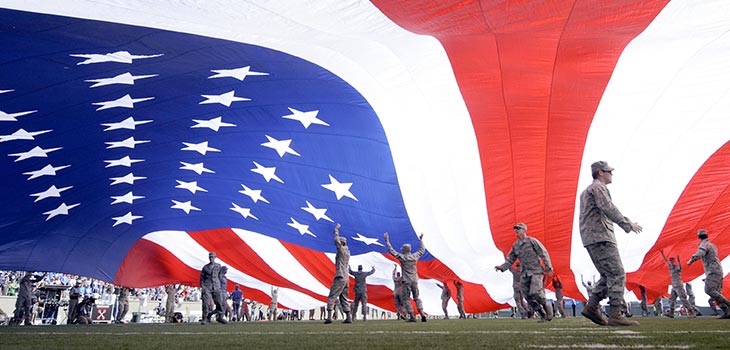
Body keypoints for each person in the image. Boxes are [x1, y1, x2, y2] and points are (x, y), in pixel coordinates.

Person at [578, 161, 642, 326]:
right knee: (618, 273)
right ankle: (615, 314)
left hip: (591, 237)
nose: (611, 174)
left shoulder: (587, 191)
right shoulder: (598, 188)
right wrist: (628, 225)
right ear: (600, 172)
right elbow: (608, 208)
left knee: (607, 275)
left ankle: (591, 307)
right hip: (601, 236)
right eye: (609, 171)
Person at [495, 223, 554, 323]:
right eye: (515, 229)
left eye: (518, 229)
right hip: (525, 273)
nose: (516, 231)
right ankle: (542, 314)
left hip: (536, 271)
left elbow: (543, 253)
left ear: (524, 230)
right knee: (527, 296)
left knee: (535, 292)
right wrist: (502, 267)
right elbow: (510, 259)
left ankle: (547, 307)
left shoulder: (532, 241)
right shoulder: (516, 245)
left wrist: (549, 267)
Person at [687, 229, 730, 319]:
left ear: (699, 237)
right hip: (718, 270)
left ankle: (728, 305)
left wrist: (691, 260)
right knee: (717, 293)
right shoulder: (712, 245)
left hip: (713, 270)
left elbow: (700, 253)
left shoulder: (704, 244)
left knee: (709, 290)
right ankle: (727, 312)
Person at [384, 231, 426, 322]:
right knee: (416, 297)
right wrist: (421, 240)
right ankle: (422, 313)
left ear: (404, 250)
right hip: (415, 280)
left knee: (406, 299)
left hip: (406, 281)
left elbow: (392, 251)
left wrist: (387, 240)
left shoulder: (402, 257)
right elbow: (422, 250)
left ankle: (412, 316)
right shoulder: (415, 256)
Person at [325, 224, 352, 324]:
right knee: (344, 297)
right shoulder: (348, 252)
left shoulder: (342, 250)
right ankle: (348, 316)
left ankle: (329, 317)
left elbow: (336, 241)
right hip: (346, 277)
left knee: (332, 296)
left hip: (340, 276)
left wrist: (336, 230)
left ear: (342, 243)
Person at [660, 249, 698, 318]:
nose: (671, 262)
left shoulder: (676, 267)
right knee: (671, 299)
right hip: (674, 286)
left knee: (683, 299)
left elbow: (680, 268)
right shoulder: (671, 267)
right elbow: (665, 261)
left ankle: (692, 312)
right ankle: (671, 313)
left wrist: (679, 261)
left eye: (672, 261)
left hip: (679, 285)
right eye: (670, 261)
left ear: (674, 261)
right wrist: (662, 254)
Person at [200, 252, 227, 324]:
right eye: (210, 257)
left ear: (215, 257)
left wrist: (221, 287)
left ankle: (218, 317)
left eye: (212, 257)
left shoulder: (218, 266)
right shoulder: (205, 267)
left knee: (220, 304)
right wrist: (203, 287)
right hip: (207, 286)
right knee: (205, 304)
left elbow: (220, 277)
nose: (211, 258)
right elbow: (202, 279)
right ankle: (205, 318)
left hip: (216, 287)